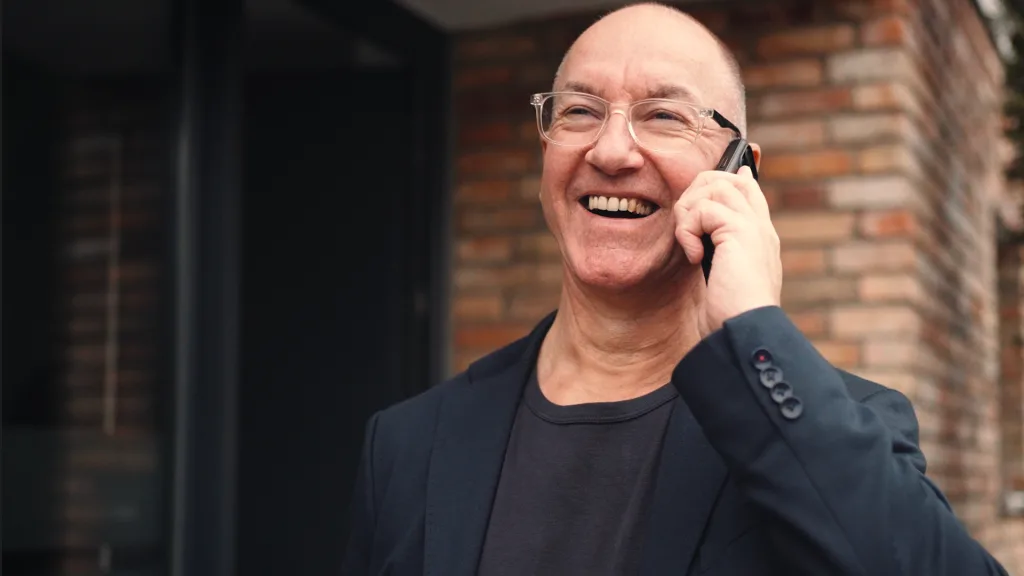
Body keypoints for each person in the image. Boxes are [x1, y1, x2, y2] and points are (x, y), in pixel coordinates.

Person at [341, 3, 1009, 575]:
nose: (611, 151)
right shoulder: (408, 444)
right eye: (580, 111)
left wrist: (754, 324)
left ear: (740, 172)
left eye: (664, 116)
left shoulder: (824, 425)